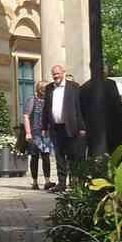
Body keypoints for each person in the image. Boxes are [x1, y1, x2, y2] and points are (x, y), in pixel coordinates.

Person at [41, 64, 85, 193]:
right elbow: (46, 109)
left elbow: (79, 108)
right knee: (59, 156)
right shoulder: (49, 88)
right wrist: (44, 127)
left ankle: (74, 182)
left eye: (58, 73)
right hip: (55, 128)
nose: (55, 76)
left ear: (63, 73)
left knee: (73, 155)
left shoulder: (74, 87)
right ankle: (61, 184)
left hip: (71, 127)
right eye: (53, 74)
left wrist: (82, 127)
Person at [80, 68, 122, 156]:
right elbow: (117, 107)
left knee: (96, 159)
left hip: (94, 133)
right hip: (112, 130)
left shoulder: (84, 87)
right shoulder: (110, 84)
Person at [23, 82, 53, 190]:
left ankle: (47, 181)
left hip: (46, 133)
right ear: (39, 90)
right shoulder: (32, 100)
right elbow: (26, 116)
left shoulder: (48, 100)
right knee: (34, 157)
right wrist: (28, 132)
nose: (45, 92)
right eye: (43, 90)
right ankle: (35, 182)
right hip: (35, 133)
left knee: (46, 157)